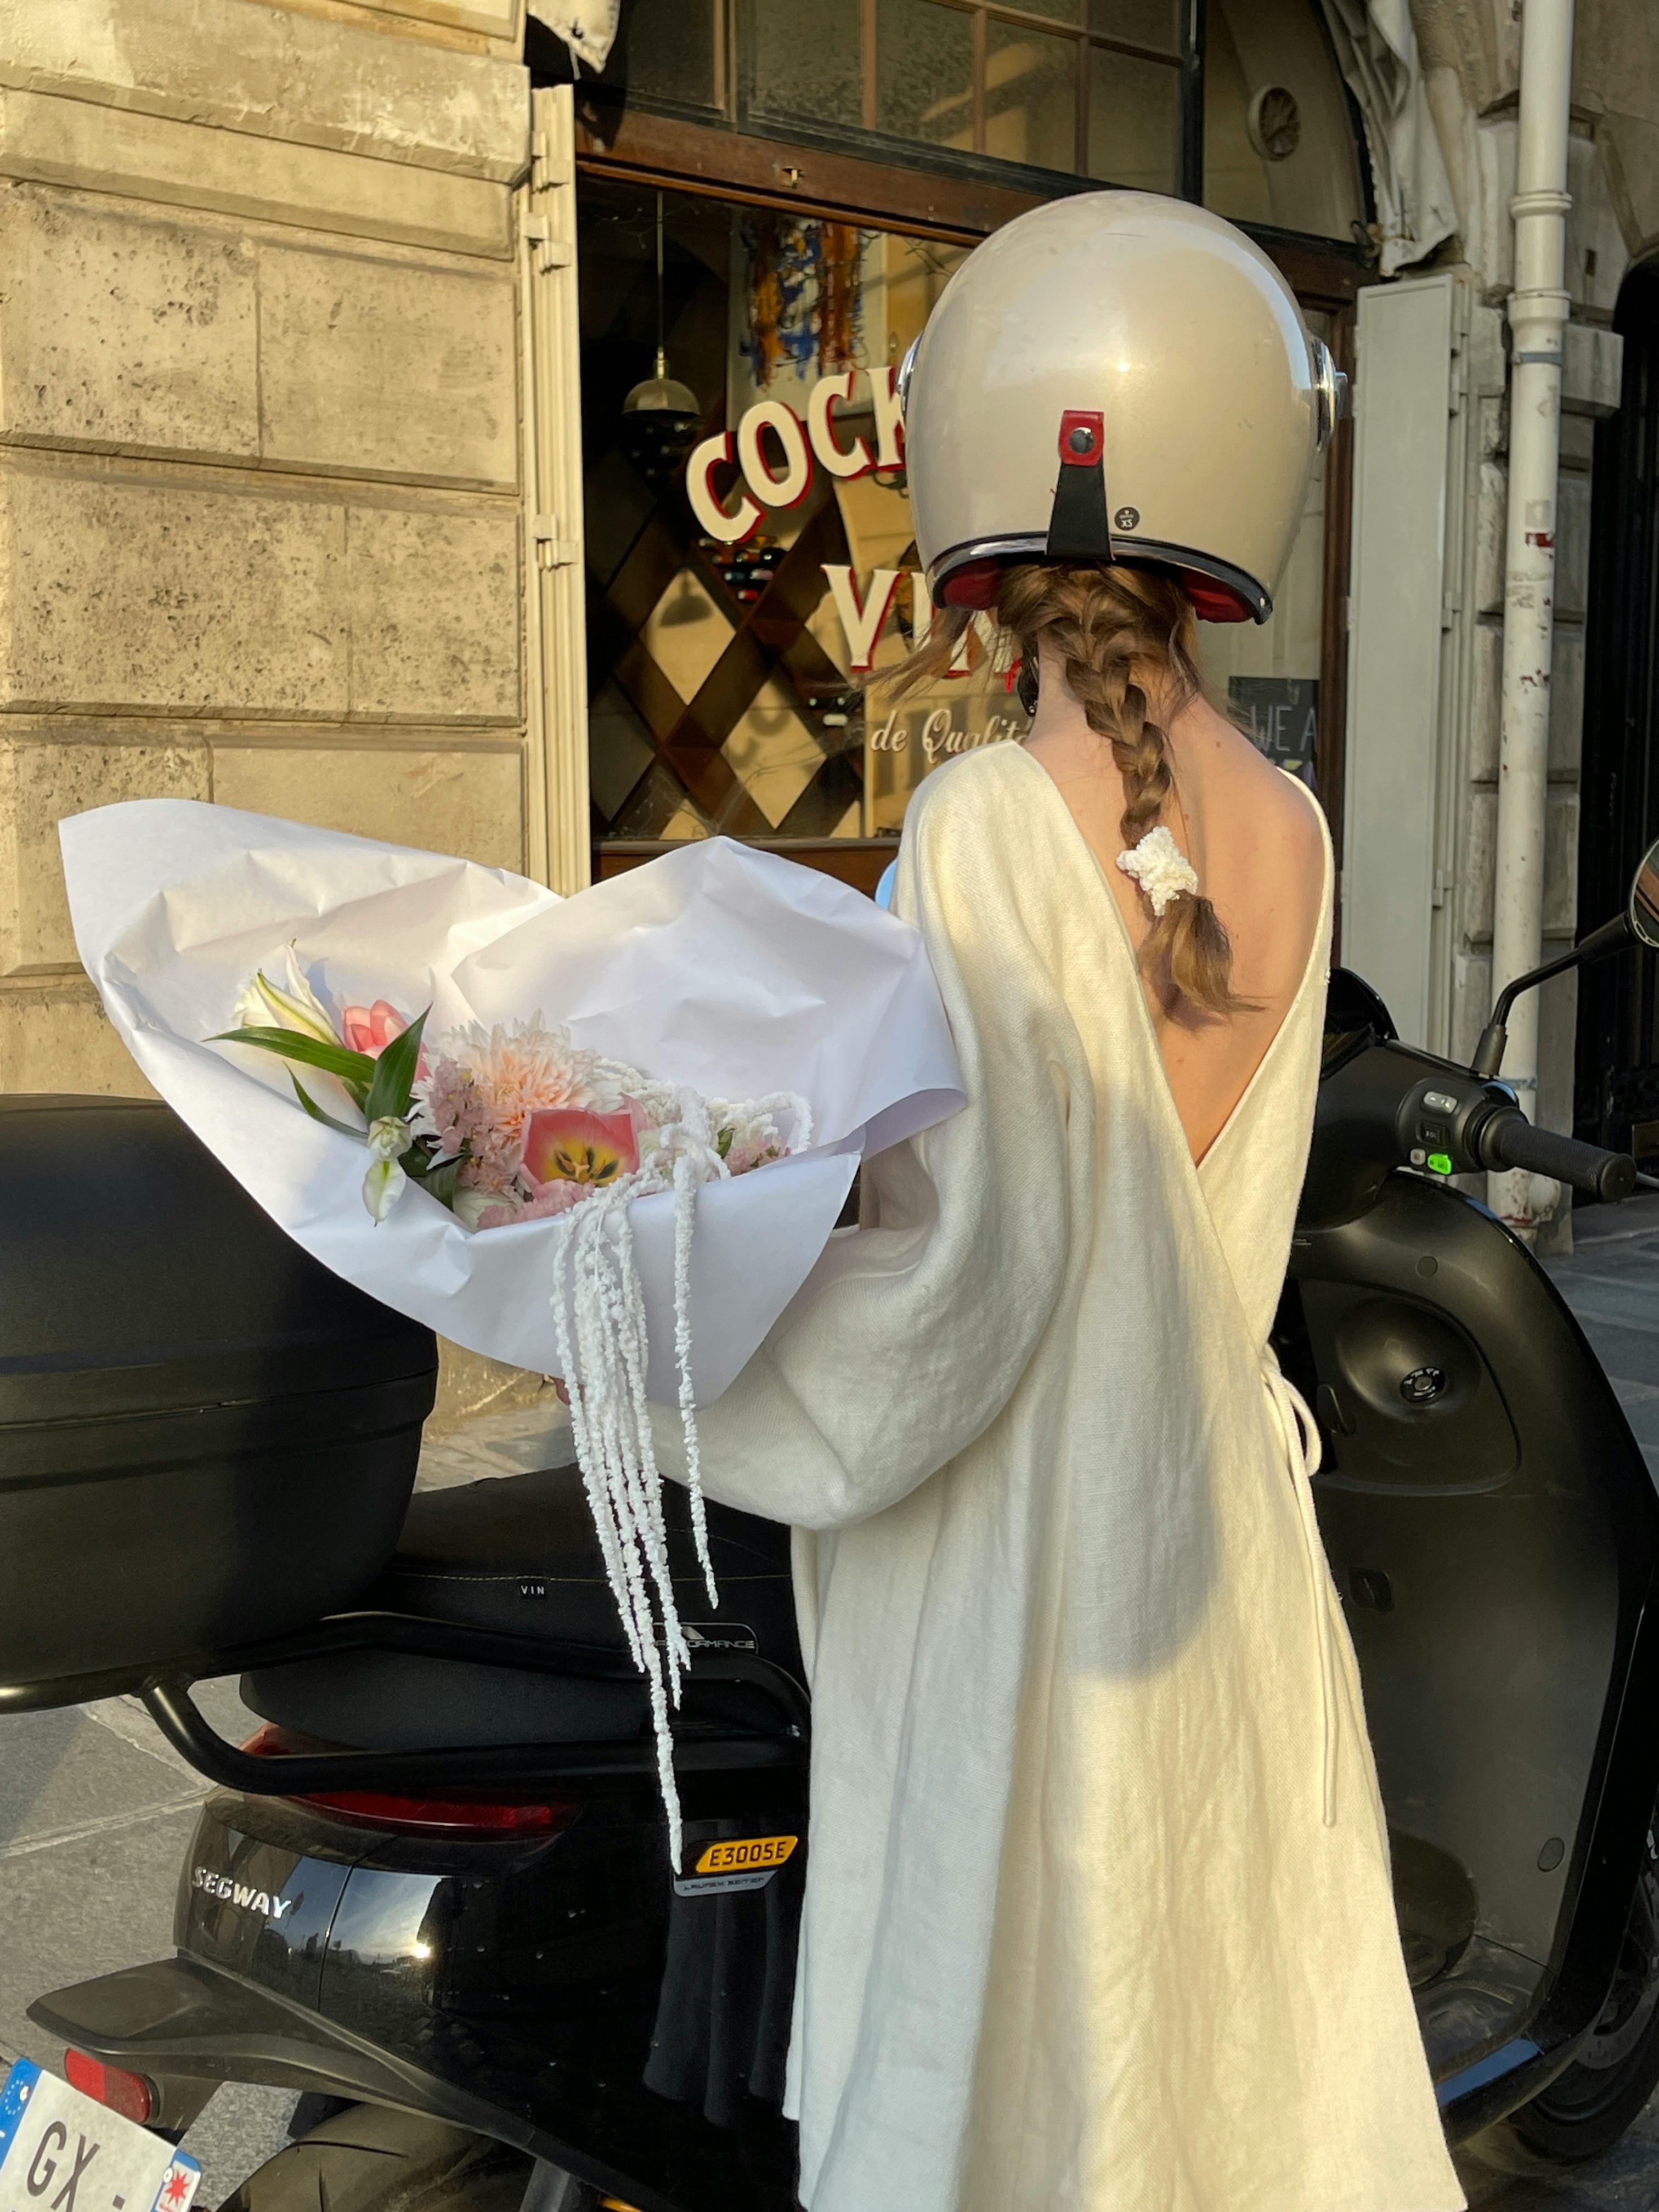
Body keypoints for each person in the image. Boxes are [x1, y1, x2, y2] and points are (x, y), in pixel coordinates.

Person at [651, 192, 1466, 2212]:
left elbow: (958, 1289)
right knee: (1210, 2053)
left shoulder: (985, 822)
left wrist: (670, 1305)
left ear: (995, 525)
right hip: (1212, 1552)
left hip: (1026, 1576)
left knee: (1016, 2082)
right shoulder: (1292, 824)